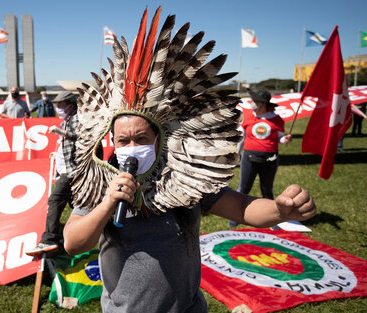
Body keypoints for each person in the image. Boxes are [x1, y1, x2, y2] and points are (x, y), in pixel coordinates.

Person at [61, 7, 316, 313]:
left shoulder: (182, 175)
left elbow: (240, 208)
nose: (131, 147)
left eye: (141, 139)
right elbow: (73, 243)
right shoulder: (102, 181)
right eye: (123, 141)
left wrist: (279, 209)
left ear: (159, 138)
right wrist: (106, 204)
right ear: (112, 141)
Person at [25, 91, 78, 256]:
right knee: (77, 206)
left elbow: (83, 138)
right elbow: (67, 147)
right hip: (67, 169)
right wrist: (58, 157)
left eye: (60, 106)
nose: (58, 109)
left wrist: (63, 133)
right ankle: (74, 238)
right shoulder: (66, 120)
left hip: (72, 171)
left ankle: (49, 240)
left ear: (70, 105)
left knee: (55, 200)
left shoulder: (77, 119)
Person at [237, 89, 292, 200]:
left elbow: (280, 138)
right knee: (243, 188)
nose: (252, 104)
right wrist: (237, 153)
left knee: (267, 190)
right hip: (249, 157)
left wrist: (285, 139)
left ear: (263, 104)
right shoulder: (247, 116)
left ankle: (269, 215)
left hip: (270, 159)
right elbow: (241, 137)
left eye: (255, 101)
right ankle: (235, 215)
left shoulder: (276, 119)